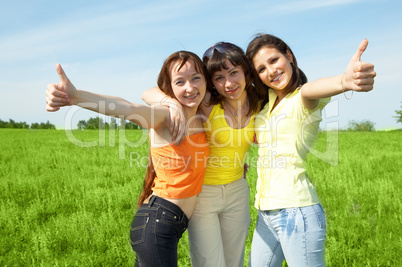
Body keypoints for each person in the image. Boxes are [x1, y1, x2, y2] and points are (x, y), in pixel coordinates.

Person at [45, 51, 212, 267]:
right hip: (157, 224)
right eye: (180, 82)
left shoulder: (201, 114)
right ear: (170, 88)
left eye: (196, 78)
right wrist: (76, 97)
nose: (190, 87)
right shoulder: (165, 116)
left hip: (167, 224)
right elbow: (128, 108)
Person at [245, 34, 376, 266]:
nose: (271, 71)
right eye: (261, 69)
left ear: (289, 56)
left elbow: (313, 89)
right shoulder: (267, 105)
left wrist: (344, 81)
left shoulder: (303, 99)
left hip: (296, 212)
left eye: (274, 60)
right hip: (265, 213)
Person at [142, 42, 266, 267]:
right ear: (212, 82)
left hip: (238, 191)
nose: (228, 83)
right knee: (209, 263)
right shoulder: (208, 103)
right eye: (218, 77)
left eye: (233, 73)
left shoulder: (259, 102)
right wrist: (171, 103)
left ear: (245, 72)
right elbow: (148, 93)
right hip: (203, 195)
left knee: (233, 262)